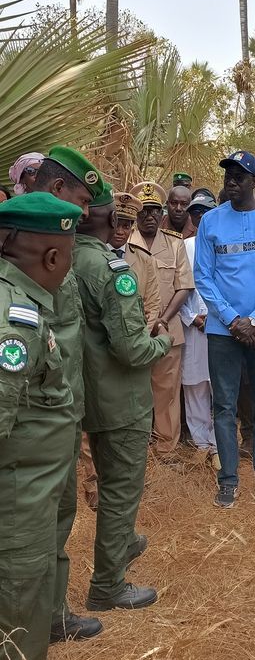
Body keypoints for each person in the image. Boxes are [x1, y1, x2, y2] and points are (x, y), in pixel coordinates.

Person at [74, 183, 173, 611]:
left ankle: (123, 542)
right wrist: (162, 344)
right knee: (120, 490)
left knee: (113, 483)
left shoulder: (67, 257)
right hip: (121, 399)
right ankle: (108, 586)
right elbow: (132, 349)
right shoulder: (111, 270)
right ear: (107, 218)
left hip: (88, 393)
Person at [0, 193, 83, 660]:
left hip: (26, 494)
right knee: (18, 626)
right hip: (17, 507)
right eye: (68, 257)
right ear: (53, 257)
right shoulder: (17, 321)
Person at [34, 146, 105, 643]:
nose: (86, 213)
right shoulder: (23, 245)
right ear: (57, 190)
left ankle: (53, 614)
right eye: (81, 201)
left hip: (63, 412)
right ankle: (30, 625)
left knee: (59, 517)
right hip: (35, 419)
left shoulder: (57, 242)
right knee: (32, 527)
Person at [194, 150, 255, 510]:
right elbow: (203, 276)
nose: (231, 183)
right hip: (223, 331)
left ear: (254, 181)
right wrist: (233, 318)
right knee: (224, 406)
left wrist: (254, 318)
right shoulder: (211, 222)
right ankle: (229, 480)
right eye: (227, 177)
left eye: (239, 177)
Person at [129, 182, 194, 459]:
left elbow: (184, 286)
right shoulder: (124, 242)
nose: (150, 216)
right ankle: (136, 445)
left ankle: (166, 448)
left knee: (166, 392)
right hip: (132, 333)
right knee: (134, 391)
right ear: (135, 213)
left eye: (155, 210)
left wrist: (163, 320)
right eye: (144, 211)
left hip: (168, 330)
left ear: (162, 211)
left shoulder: (175, 244)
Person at [180, 193, 219, 463]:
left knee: (220, 386)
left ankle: (219, 445)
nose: (200, 216)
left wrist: (216, 316)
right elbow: (177, 287)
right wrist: (192, 317)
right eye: (196, 212)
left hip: (220, 326)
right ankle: (201, 443)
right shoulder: (183, 247)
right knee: (194, 385)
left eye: (206, 211)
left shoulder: (224, 245)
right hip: (193, 326)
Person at [109, 190, 161, 331]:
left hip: (138, 337)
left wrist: (142, 338)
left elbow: (153, 304)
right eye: (116, 225)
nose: (120, 231)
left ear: (132, 228)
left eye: (126, 226)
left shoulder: (144, 259)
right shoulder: (95, 255)